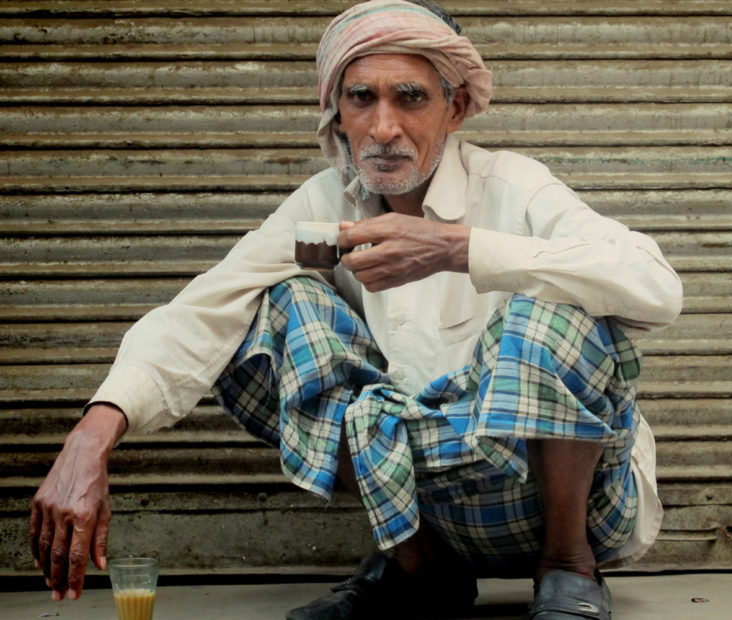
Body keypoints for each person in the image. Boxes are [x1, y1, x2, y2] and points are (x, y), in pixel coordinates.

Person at [29, 1, 683, 618]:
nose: (384, 127)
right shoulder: (325, 214)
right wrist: (92, 437)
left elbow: (655, 284)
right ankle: (419, 571)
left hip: (553, 499)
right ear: (336, 112)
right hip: (422, 499)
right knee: (275, 302)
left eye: (411, 99)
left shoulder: (512, 189)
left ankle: (567, 568)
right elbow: (205, 308)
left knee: (560, 303)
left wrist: (461, 248)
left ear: (455, 109)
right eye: (361, 98)